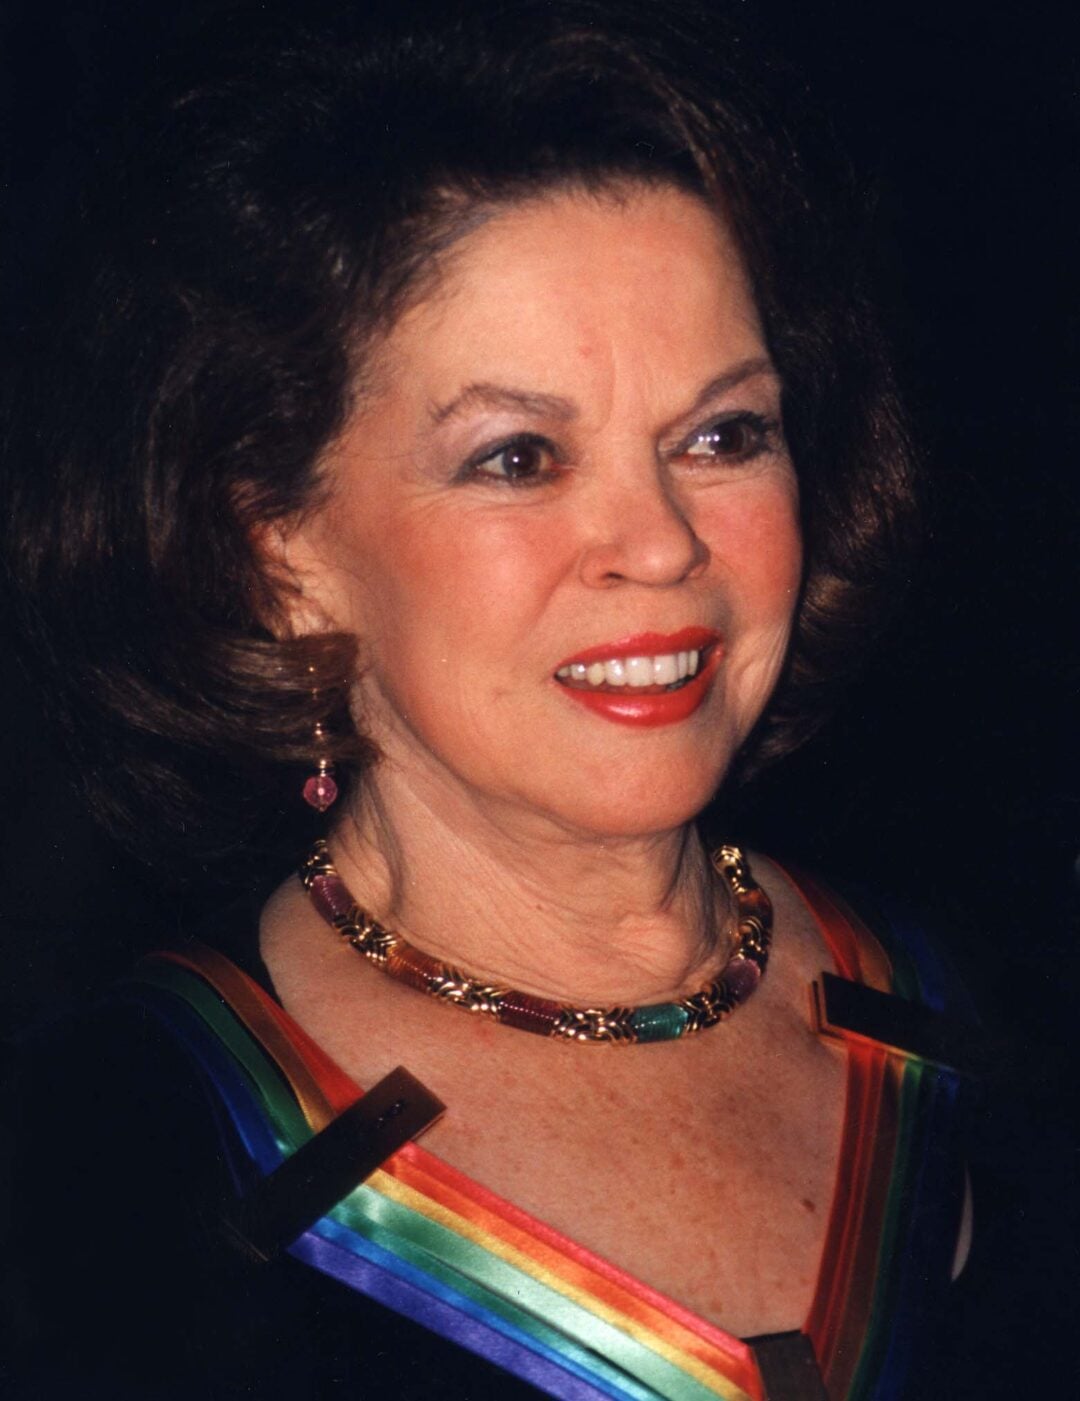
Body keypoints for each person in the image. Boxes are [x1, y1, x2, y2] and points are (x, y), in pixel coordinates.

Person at [2, 2, 977, 1397]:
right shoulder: (108, 1155)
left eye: (721, 435)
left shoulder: (989, 1018)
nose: (661, 543)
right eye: (518, 457)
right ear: (284, 559)